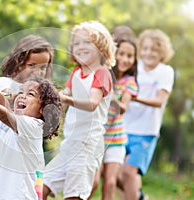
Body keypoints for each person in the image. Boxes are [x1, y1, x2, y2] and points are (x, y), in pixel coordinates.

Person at [42, 20, 116, 200]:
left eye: (87, 42)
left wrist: (66, 98)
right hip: (70, 142)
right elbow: (63, 100)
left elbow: (92, 103)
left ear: (101, 47)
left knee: (74, 194)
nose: (80, 47)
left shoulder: (101, 72)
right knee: (42, 185)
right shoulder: (76, 73)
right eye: (76, 43)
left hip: (87, 145)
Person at [0, 77, 62, 200]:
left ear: (43, 109)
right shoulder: (16, 122)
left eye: (30, 94)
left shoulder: (34, 126)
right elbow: (7, 114)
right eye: (21, 92)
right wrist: (0, 98)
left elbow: (4, 115)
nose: (22, 96)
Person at [120, 29, 175, 200]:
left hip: (146, 132)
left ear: (162, 53)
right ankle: (139, 196)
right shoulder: (134, 67)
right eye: (145, 48)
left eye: (154, 50)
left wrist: (134, 98)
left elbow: (159, 101)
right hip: (123, 127)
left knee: (129, 172)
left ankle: (136, 196)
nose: (148, 53)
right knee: (116, 174)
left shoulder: (165, 71)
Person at [88, 35, 139, 199]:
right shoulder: (101, 74)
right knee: (93, 181)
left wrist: (111, 95)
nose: (125, 59)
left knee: (110, 183)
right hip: (97, 137)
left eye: (129, 56)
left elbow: (123, 108)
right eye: (121, 53)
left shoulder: (129, 82)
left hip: (116, 138)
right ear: (113, 53)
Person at [0, 34, 54, 100]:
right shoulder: (5, 82)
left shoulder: (41, 90)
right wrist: (13, 96)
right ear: (19, 63)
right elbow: (2, 95)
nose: (37, 72)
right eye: (32, 65)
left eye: (43, 67)